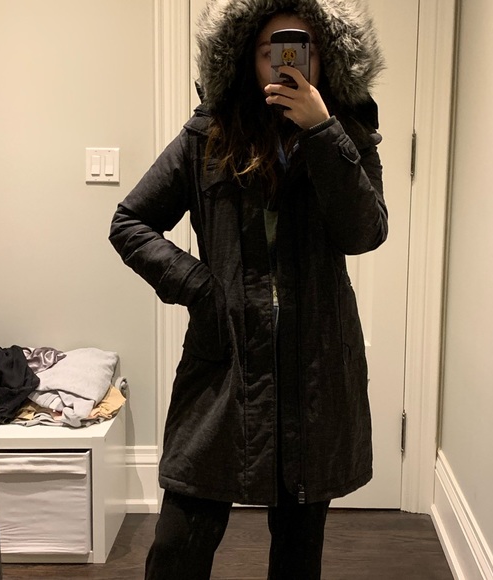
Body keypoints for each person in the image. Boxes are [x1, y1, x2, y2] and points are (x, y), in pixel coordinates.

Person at [109, 0, 387, 578]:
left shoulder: (351, 136)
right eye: (269, 52)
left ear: (325, 59)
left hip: (314, 371)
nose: (285, 64)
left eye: (302, 50)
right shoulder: (207, 136)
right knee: (178, 545)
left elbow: (364, 234)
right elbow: (130, 223)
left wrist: (322, 131)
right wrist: (201, 288)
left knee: (297, 552)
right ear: (244, 59)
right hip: (225, 363)